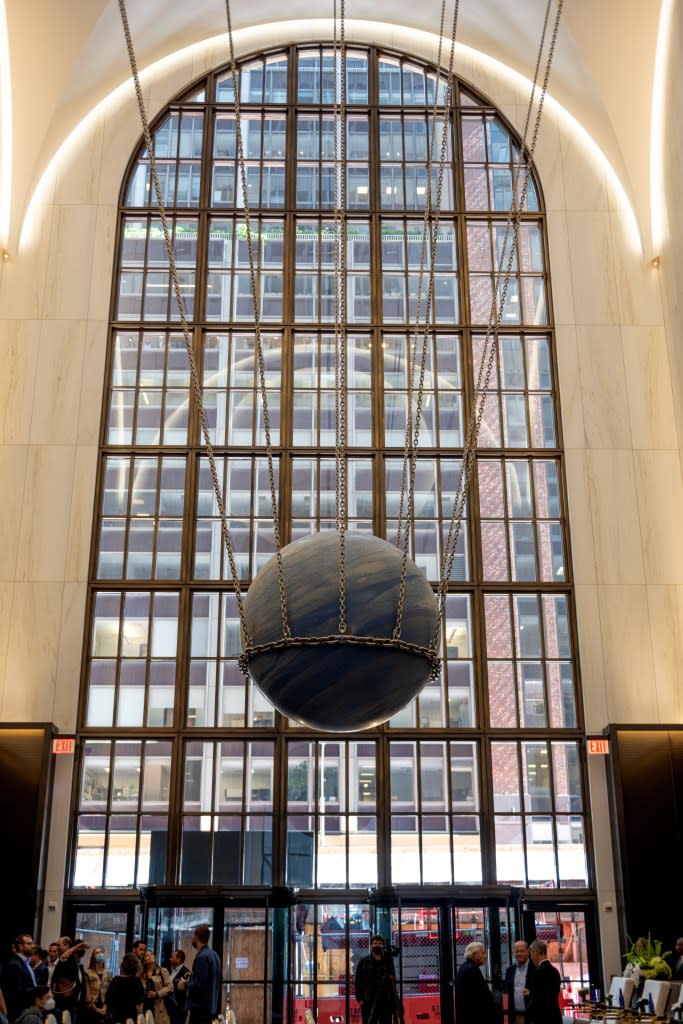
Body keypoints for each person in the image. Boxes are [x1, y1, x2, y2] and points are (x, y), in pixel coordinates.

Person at [178, 926, 221, 1024]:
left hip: (200, 1010)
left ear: (196, 937)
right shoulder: (214, 955)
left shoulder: (202, 957)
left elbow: (199, 986)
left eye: (193, 936)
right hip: (210, 1008)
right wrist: (194, 975)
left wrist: (184, 983)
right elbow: (214, 979)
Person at [354, 934, 401, 1024]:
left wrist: (394, 1000)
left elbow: (392, 981)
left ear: (383, 946)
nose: (377, 945)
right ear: (371, 945)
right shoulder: (364, 962)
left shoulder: (388, 961)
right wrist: (360, 999)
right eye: (375, 943)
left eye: (380, 943)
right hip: (368, 1000)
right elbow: (358, 981)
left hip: (385, 1001)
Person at [455, 942, 497, 1024]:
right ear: (475, 954)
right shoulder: (472, 969)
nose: (485, 956)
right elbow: (482, 996)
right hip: (473, 1018)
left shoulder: (463, 967)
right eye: (483, 953)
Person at [51, 937, 89, 1024]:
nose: (57, 948)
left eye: (59, 945)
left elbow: (81, 986)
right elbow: (63, 957)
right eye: (80, 948)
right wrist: (79, 945)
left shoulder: (79, 965)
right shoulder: (67, 961)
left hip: (75, 1006)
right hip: (62, 1004)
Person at [2, 934, 38, 1023]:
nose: (33, 946)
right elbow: (15, 991)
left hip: (28, 1009)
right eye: (29, 944)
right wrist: (36, 990)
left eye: (32, 943)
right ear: (21, 946)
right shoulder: (14, 965)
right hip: (20, 1012)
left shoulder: (26, 963)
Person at [526, 940, 561, 1024]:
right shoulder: (555, 971)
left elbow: (537, 999)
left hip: (542, 1017)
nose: (531, 958)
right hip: (555, 1016)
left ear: (535, 952)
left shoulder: (537, 972)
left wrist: (528, 1010)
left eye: (531, 954)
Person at [103, 954, 145, 1024]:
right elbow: (139, 1006)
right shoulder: (136, 981)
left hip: (114, 1018)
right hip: (131, 1019)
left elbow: (108, 1000)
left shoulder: (115, 980)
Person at [505, 941, 535, 1024]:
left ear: (528, 952)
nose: (519, 954)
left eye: (522, 951)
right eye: (517, 951)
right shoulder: (509, 970)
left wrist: (531, 993)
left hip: (532, 1017)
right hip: (514, 1017)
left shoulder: (536, 969)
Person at [141, 951, 172, 1024]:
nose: (150, 956)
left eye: (151, 954)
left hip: (159, 1006)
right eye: (147, 955)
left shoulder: (162, 971)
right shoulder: (141, 974)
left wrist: (157, 993)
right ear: (144, 960)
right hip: (145, 1006)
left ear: (155, 958)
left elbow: (170, 987)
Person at [84, 947, 112, 1022]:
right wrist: (96, 1010)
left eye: (101, 952)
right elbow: (87, 993)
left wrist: (105, 1008)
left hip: (105, 1006)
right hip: (91, 1007)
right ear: (93, 956)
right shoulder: (87, 972)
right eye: (97, 953)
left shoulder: (109, 973)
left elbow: (110, 992)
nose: (100, 954)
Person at [167, 951, 189, 1024]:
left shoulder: (186, 973)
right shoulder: (169, 971)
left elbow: (185, 992)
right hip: (169, 1009)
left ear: (178, 959)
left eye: (172, 957)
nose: (170, 959)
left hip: (179, 1010)